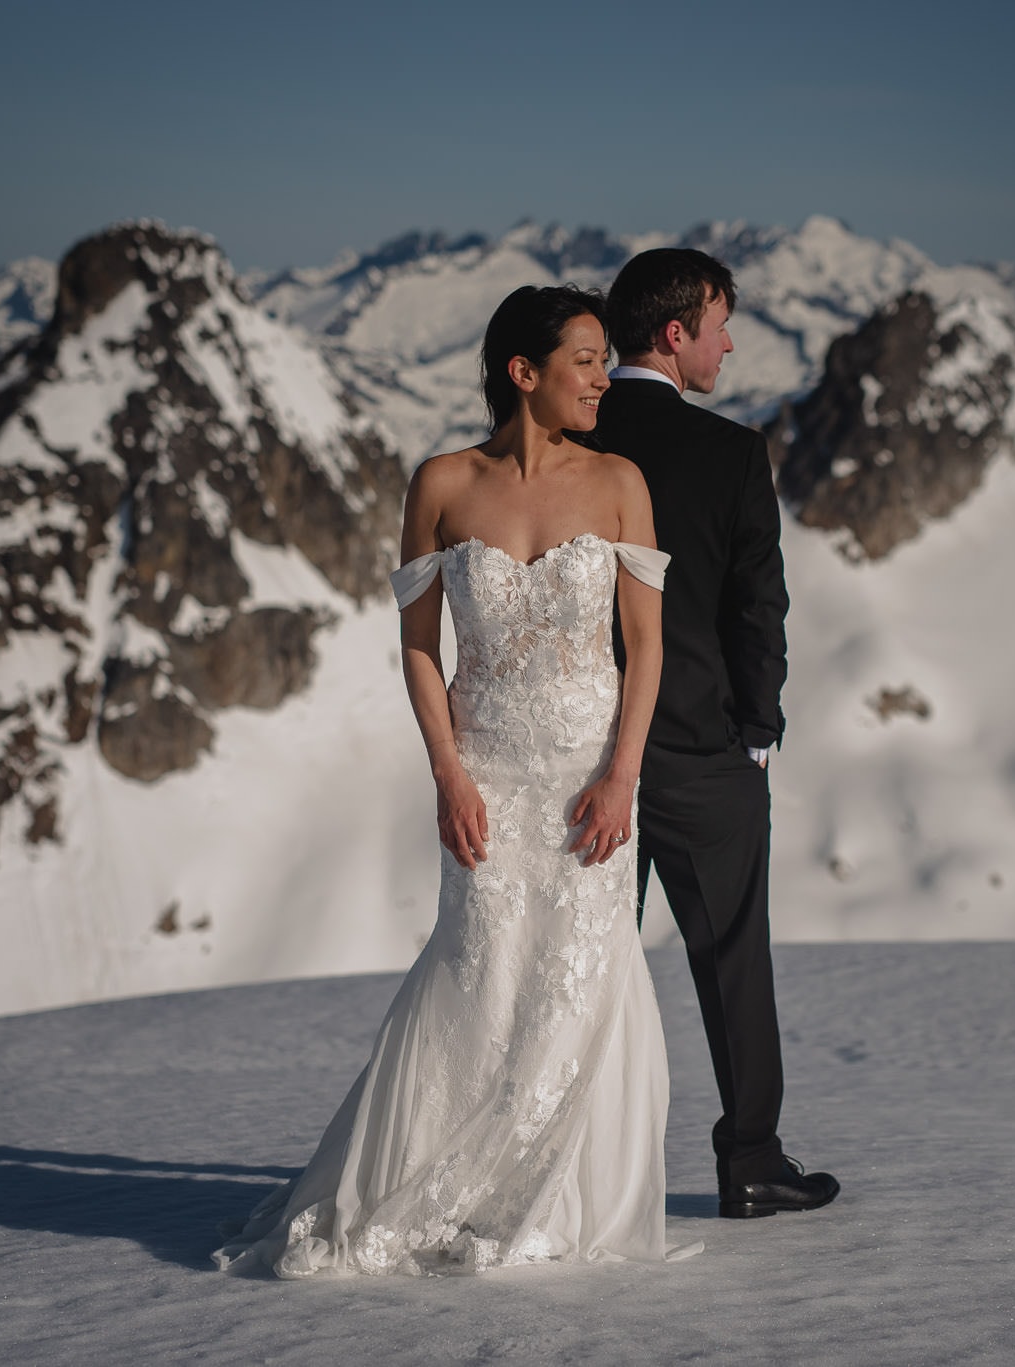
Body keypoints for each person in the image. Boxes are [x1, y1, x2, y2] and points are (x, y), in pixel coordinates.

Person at [215, 285, 688, 1277]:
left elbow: (645, 648)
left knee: (577, 978)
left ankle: (542, 1199)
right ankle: (435, 1184)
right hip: (486, 774)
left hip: (586, 777)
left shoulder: (618, 482)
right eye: (588, 359)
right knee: (478, 970)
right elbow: (419, 646)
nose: (606, 377)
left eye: (606, 359)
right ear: (524, 371)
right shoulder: (439, 482)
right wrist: (446, 771)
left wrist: (621, 775)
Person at [585, 248, 839, 1219]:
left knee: (575, 960)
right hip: (698, 746)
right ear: (673, 332)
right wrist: (757, 733)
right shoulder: (730, 453)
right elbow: (754, 610)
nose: (729, 342)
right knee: (731, 955)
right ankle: (751, 1160)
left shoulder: (565, 436)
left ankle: (564, 1162)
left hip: (578, 752)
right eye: (718, 322)